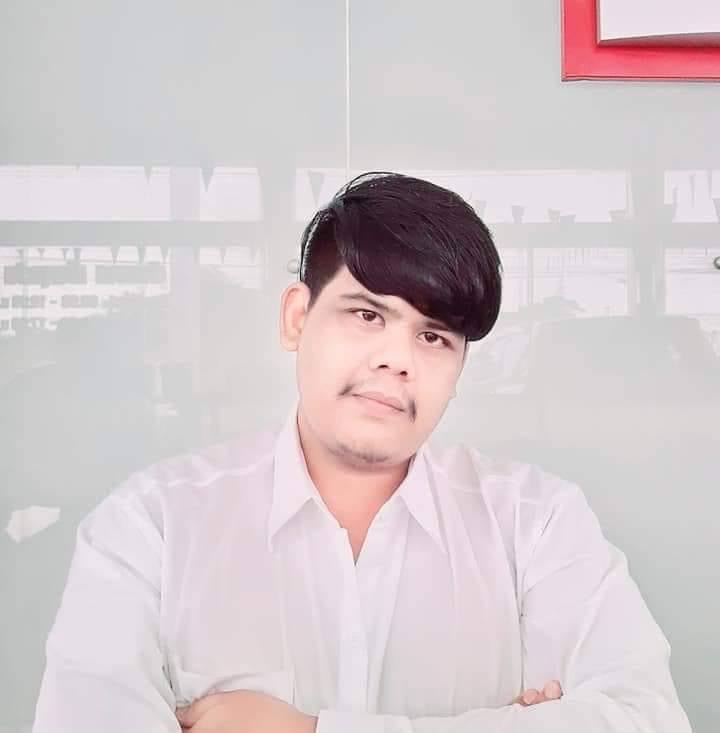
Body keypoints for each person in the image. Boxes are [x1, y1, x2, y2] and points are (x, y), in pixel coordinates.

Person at [32, 173, 691, 733]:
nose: (397, 359)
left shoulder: (536, 521)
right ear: (297, 317)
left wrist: (308, 729)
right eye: (368, 314)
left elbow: (649, 719)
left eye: (434, 336)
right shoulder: (152, 526)